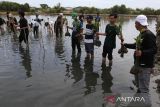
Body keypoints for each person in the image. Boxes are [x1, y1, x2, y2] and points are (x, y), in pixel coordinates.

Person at [123, 15, 157, 94]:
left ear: (139, 24)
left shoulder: (149, 34)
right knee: (139, 86)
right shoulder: (142, 33)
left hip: (145, 66)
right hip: (139, 64)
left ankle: (144, 102)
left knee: (144, 89)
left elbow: (154, 50)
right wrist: (125, 45)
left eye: (135, 23)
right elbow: (137, 45)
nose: (135, 25)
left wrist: (143, 52)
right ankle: (139, 99)